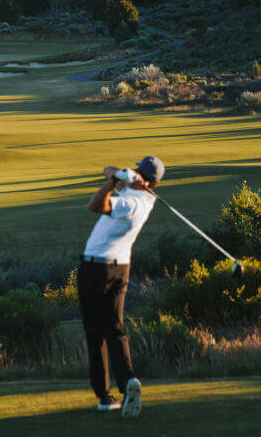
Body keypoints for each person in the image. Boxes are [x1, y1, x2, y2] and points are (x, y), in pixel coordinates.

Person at [78, 156, 165, 418]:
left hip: (97, 269)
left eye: (139, 170)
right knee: (114, 329)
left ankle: (105, 396)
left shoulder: (133, 203)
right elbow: (107, 168)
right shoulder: (140, 194)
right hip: (120, 268)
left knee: (95, 333)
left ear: (148, 180)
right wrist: (122, 176)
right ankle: (127, 382)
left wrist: (113, 183)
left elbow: (94, 205)